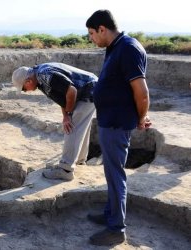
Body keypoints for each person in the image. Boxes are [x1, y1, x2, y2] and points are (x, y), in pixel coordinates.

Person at [85, 9, 151, 246]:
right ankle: (110, 214)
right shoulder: (116, 48)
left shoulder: (129, 48)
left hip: (116, 124)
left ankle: (116, 229)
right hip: (109, 122)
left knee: (115, 175)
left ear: (102, 29)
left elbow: (142, 93)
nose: (91, 38)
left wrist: (140, 117)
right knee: (111, 173)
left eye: (92, 33)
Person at [12, 62, 97, 181]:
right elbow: (63, 97)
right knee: (79, 126)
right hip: (89, 90)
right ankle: (78, 161)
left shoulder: (45, 75)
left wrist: (68, 115)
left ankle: (66, 170)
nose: (27, 91)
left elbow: (71, 91)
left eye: (24, 89)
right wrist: (65, 116)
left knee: (72, 126)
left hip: (89, 90)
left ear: (28, 81)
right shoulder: (40, 79)